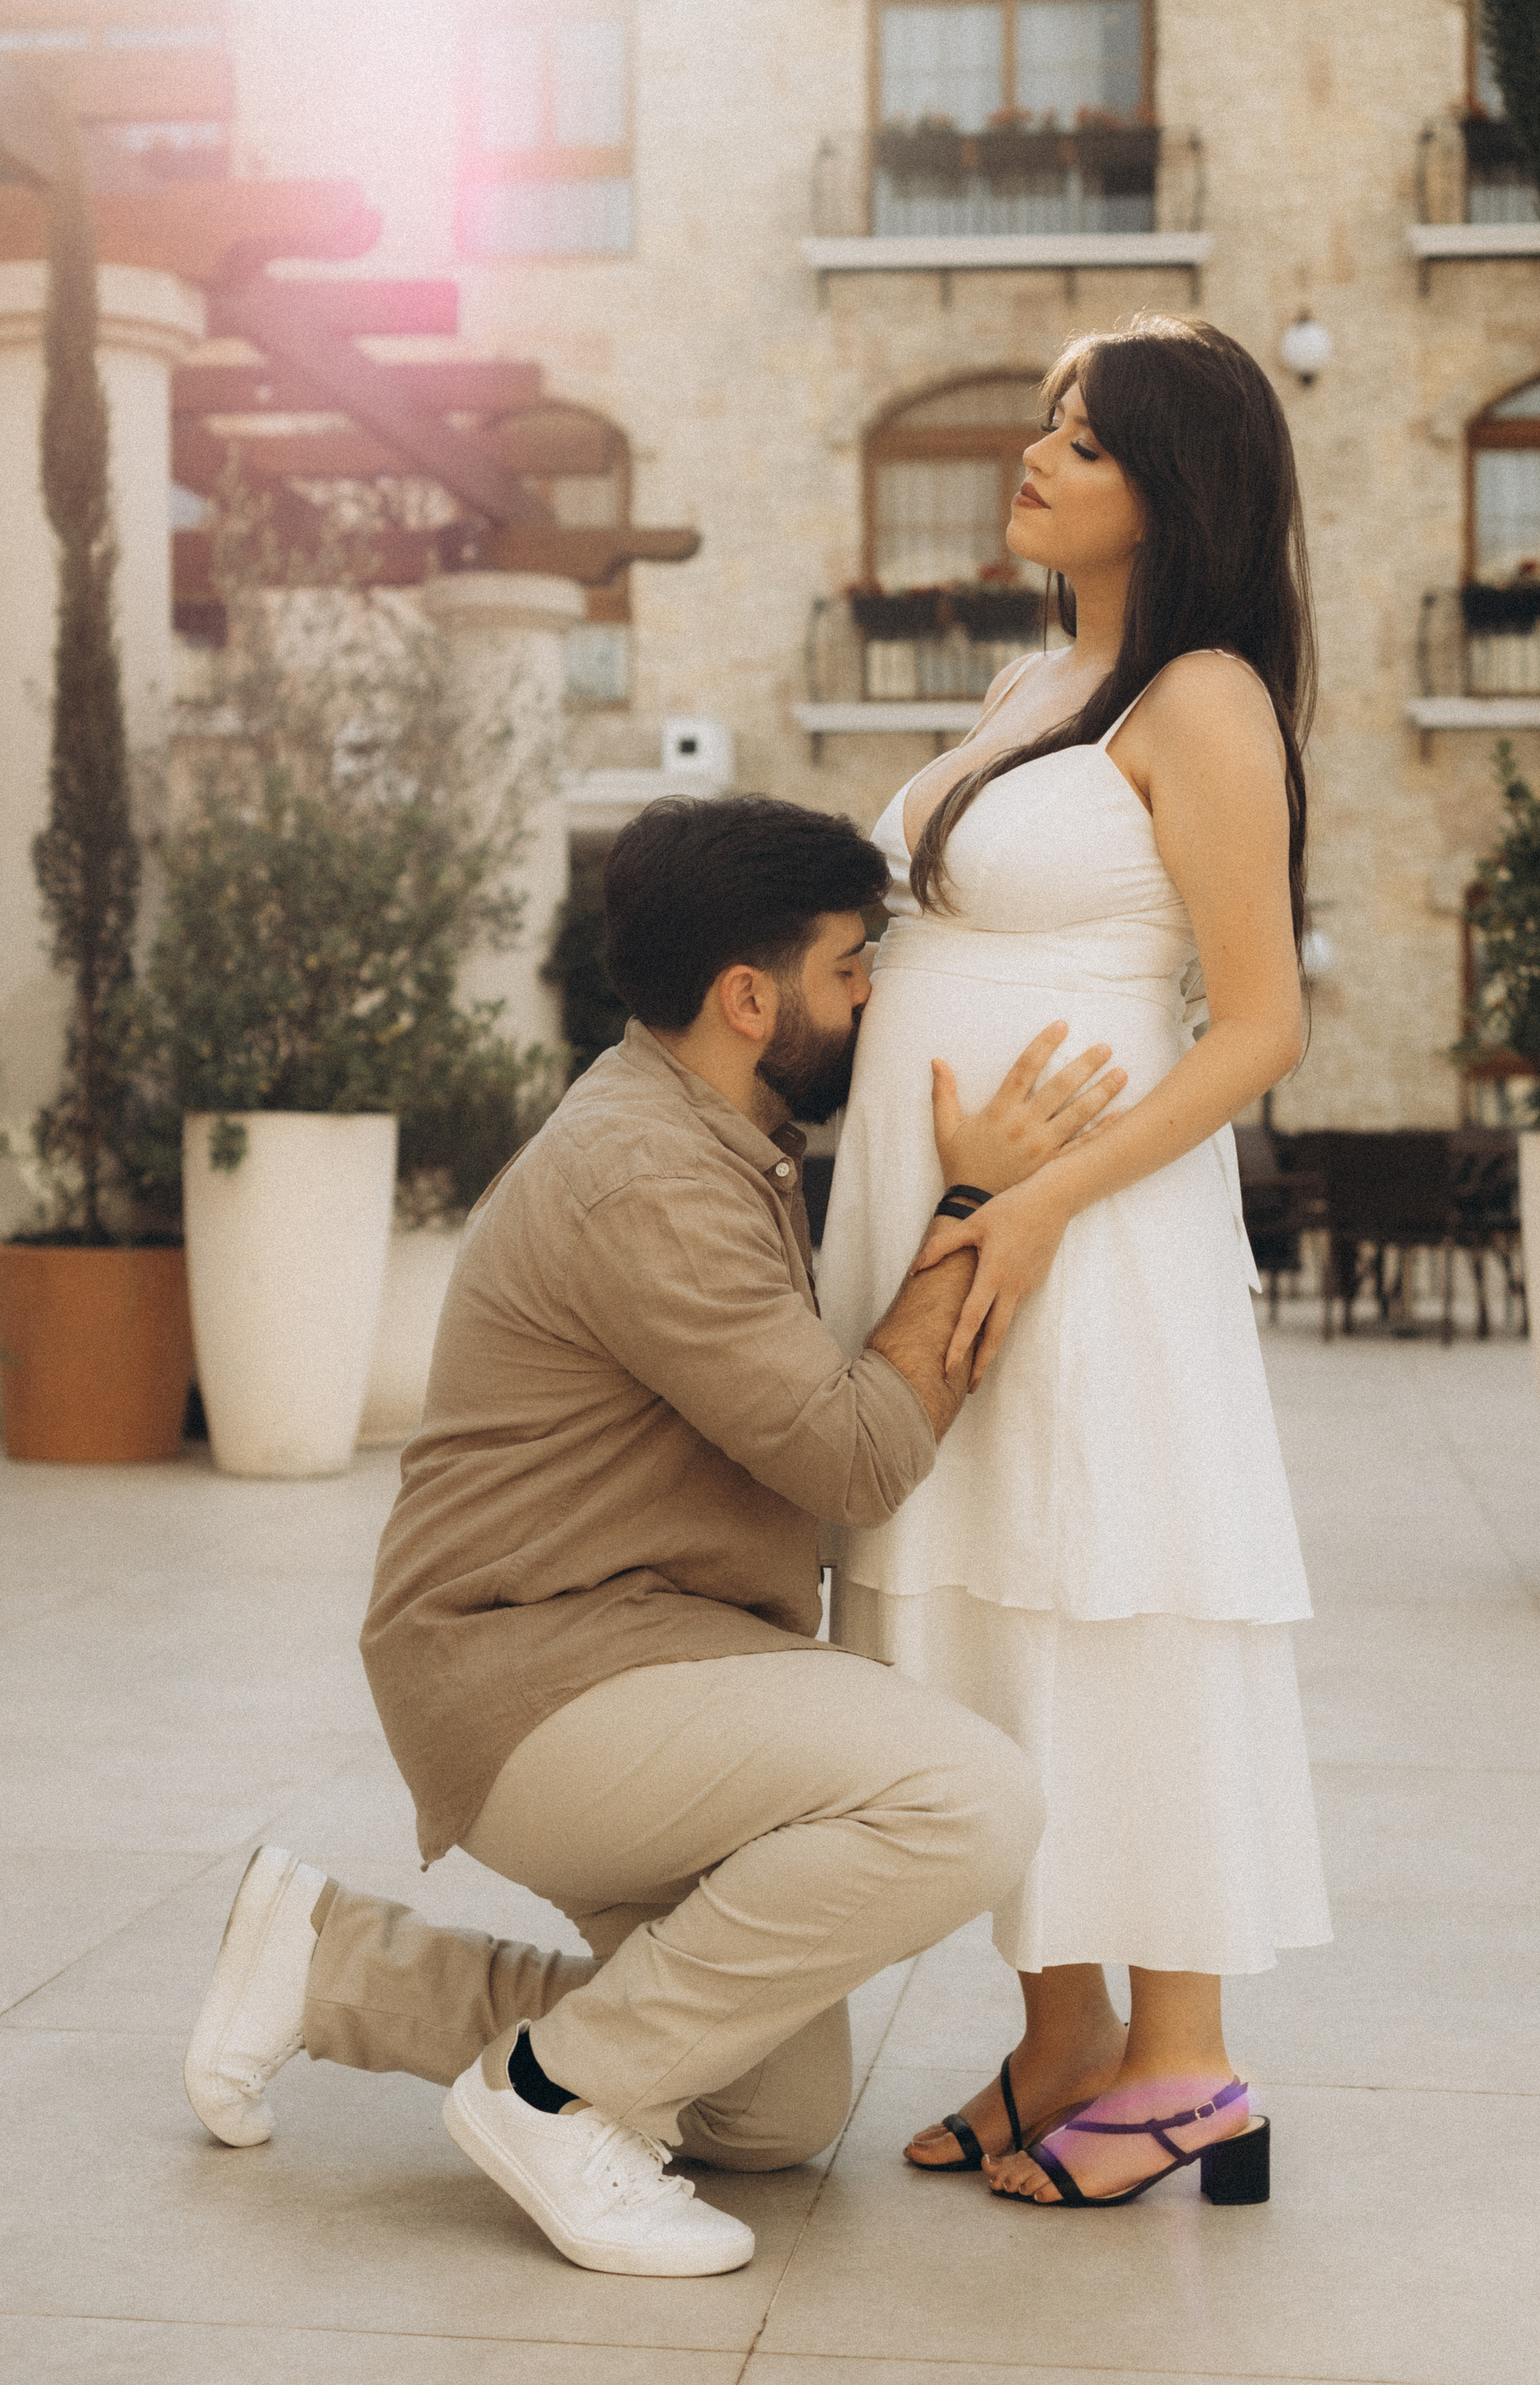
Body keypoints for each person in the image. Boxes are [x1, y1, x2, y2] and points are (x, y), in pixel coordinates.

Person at [181, 795, 1127, 2278]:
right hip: (539, 1684)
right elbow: (857, 1453)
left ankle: (333, 1965)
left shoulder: (705, 1134)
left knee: (767, 2107)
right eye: (850, 966)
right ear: (750, 999)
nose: (871, 996)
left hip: (624, 1660)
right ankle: (544, 2103)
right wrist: (982, 1200)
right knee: (969, 1801)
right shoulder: (647, 1175)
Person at [817, 316, 1333, 2213]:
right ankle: (1060, 2038)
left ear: (1175, 490)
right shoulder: (1046, 672)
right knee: (971, 1600)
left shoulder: (1199, 695)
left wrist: (1036, 1202)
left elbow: (1259, 1022)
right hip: (952, 1212)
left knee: (1113, 1591)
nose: (1035, 454)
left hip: (1090, 1237)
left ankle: (1186, 2058)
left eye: (1087, 440)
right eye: (1044, 421)